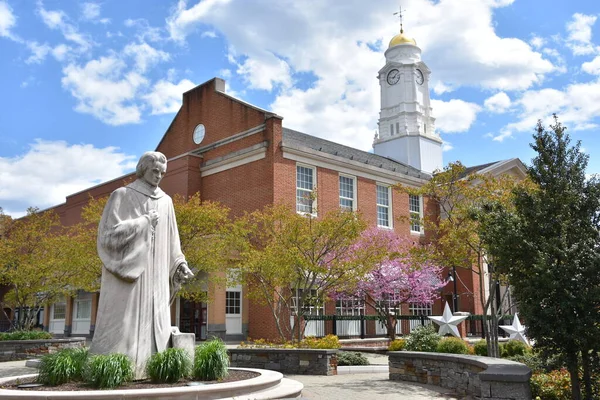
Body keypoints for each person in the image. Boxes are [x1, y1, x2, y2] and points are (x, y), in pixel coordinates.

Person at [90, 151, 193, 379]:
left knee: (157, 323)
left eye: (162, 173)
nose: (158, 176)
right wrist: (144, 222)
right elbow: (108, 236)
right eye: (154, 171)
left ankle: (156, 369)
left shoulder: (167, 202)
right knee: (125, 323)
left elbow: (173, 241)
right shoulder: (122, 195)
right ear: (142, 169)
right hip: (133, 276)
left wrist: (180, 264)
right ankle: (117, 369)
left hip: (157, 277)